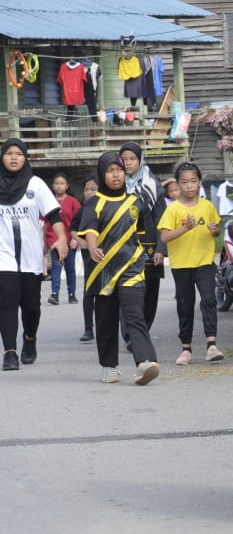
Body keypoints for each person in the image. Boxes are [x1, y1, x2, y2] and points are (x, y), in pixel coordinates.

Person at [78, 152, 159, 385]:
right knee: (106, 320)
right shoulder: (94, 202)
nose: (116, 175)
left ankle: (145, 362)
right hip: (103, 268)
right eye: (110, 170)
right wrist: (92, 246)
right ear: (102, 174)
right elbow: (90, 228)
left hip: (131, 266)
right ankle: (109, 366)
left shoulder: (135, 202)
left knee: (135, 314)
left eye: (119, 170)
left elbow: (140, 233)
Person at [0, 138, 68, 371]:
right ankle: (9, 352)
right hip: (4, 255)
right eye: (9, 153)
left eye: (19, 153)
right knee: (7, 301)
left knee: (31, 306)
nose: (14, 157)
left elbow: (53, 215)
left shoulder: (36, 184)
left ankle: (29, 338)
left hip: (30, 256)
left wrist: (61, 239)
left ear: (25, 158)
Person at [158, 161, 224, 365]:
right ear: (178, 184)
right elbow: (165, 237)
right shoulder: (173, 210)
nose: (189, 186)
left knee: (208, 300)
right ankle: (186, 348)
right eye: (184, 182)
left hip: (205, 261)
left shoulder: (207, 206)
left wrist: (215, 230)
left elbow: (217, 229)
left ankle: (211, 345)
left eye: (193, 181)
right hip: (181, 264)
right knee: (185, 306)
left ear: (199, 182)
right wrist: (185, 228)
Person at [118, 141, 166, 334]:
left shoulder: (153, 187)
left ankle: (143, 331)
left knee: (150, 294)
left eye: (132, 159)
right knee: (126, 292)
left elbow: (162, 220)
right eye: (124, 159)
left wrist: (161, 249)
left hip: (150, 248)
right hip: (123, 248)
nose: (128, 163)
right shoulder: (115, 186)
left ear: (140, 160)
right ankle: (130, 333)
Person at [44, 172, 81, 305]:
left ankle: (72, 294)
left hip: (70, 240)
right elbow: (44, 223)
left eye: (62, 183)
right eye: (56, 183)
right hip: (54, 240)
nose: (59, 186)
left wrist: (76, 238)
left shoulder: (73, 201)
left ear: (67, 186)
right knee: (56, 267)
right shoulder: (48, 201)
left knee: (70, 268)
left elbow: (80, 220)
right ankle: (55, 294)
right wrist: (45, 242)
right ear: (52, 185)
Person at [75, 178, 99, 342]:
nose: (89, 192)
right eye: (86, 189)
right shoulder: (83, 210)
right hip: (89, 256)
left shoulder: (107, 207)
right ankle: (88, 328)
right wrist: (81, 241)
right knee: (89, 291)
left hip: (108, 255)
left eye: (93, 189)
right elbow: (72, 229)